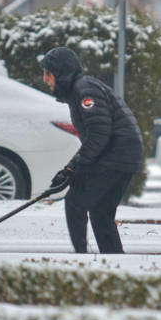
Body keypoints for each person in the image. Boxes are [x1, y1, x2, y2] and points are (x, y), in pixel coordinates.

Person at [41, 46, 144, 254]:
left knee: (75, 202)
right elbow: (96, 139)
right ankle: (115, 261)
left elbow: (99, 135)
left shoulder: (84, 90)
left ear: (61, 74)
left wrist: (71, 169)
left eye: (48, 73)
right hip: (122, 154)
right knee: (100, 212)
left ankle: (82, 261)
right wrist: (74, 170)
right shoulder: (80, 90)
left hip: (117, 154)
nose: (45, 79)